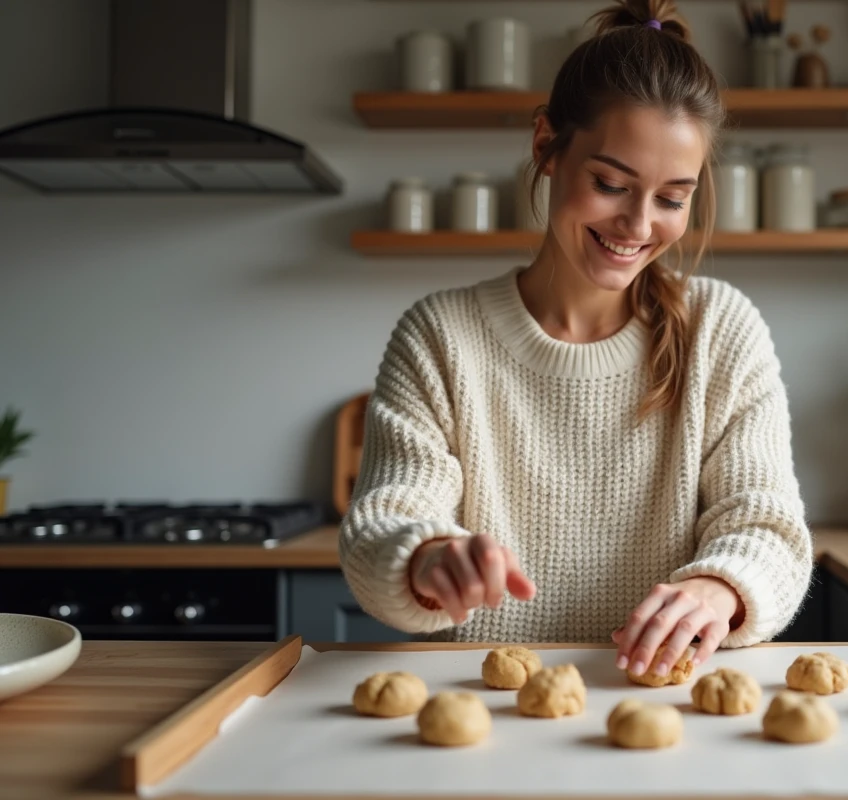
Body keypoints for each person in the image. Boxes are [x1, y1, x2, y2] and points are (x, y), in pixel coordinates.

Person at [339, 0, 813, 681]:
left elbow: (767, 527)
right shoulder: (442, 336)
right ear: (545, 146)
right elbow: (386, 521)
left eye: (673, 198)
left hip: (663, 719)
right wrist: (427, 558)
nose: (638, 224)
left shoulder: (722, 329)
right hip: (486, 711)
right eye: (611, 184)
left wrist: (722, 589)